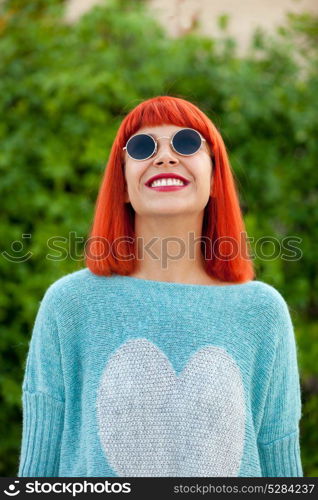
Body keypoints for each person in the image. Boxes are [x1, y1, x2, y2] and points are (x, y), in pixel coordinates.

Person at [18, 95, 303, 477]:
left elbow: (281, 466)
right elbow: (38, 470)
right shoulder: (70, 305)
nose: (165, 157)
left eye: (186, 143)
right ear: (121, 182)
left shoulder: (262, 312)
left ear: (215, 176)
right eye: (142, 147)